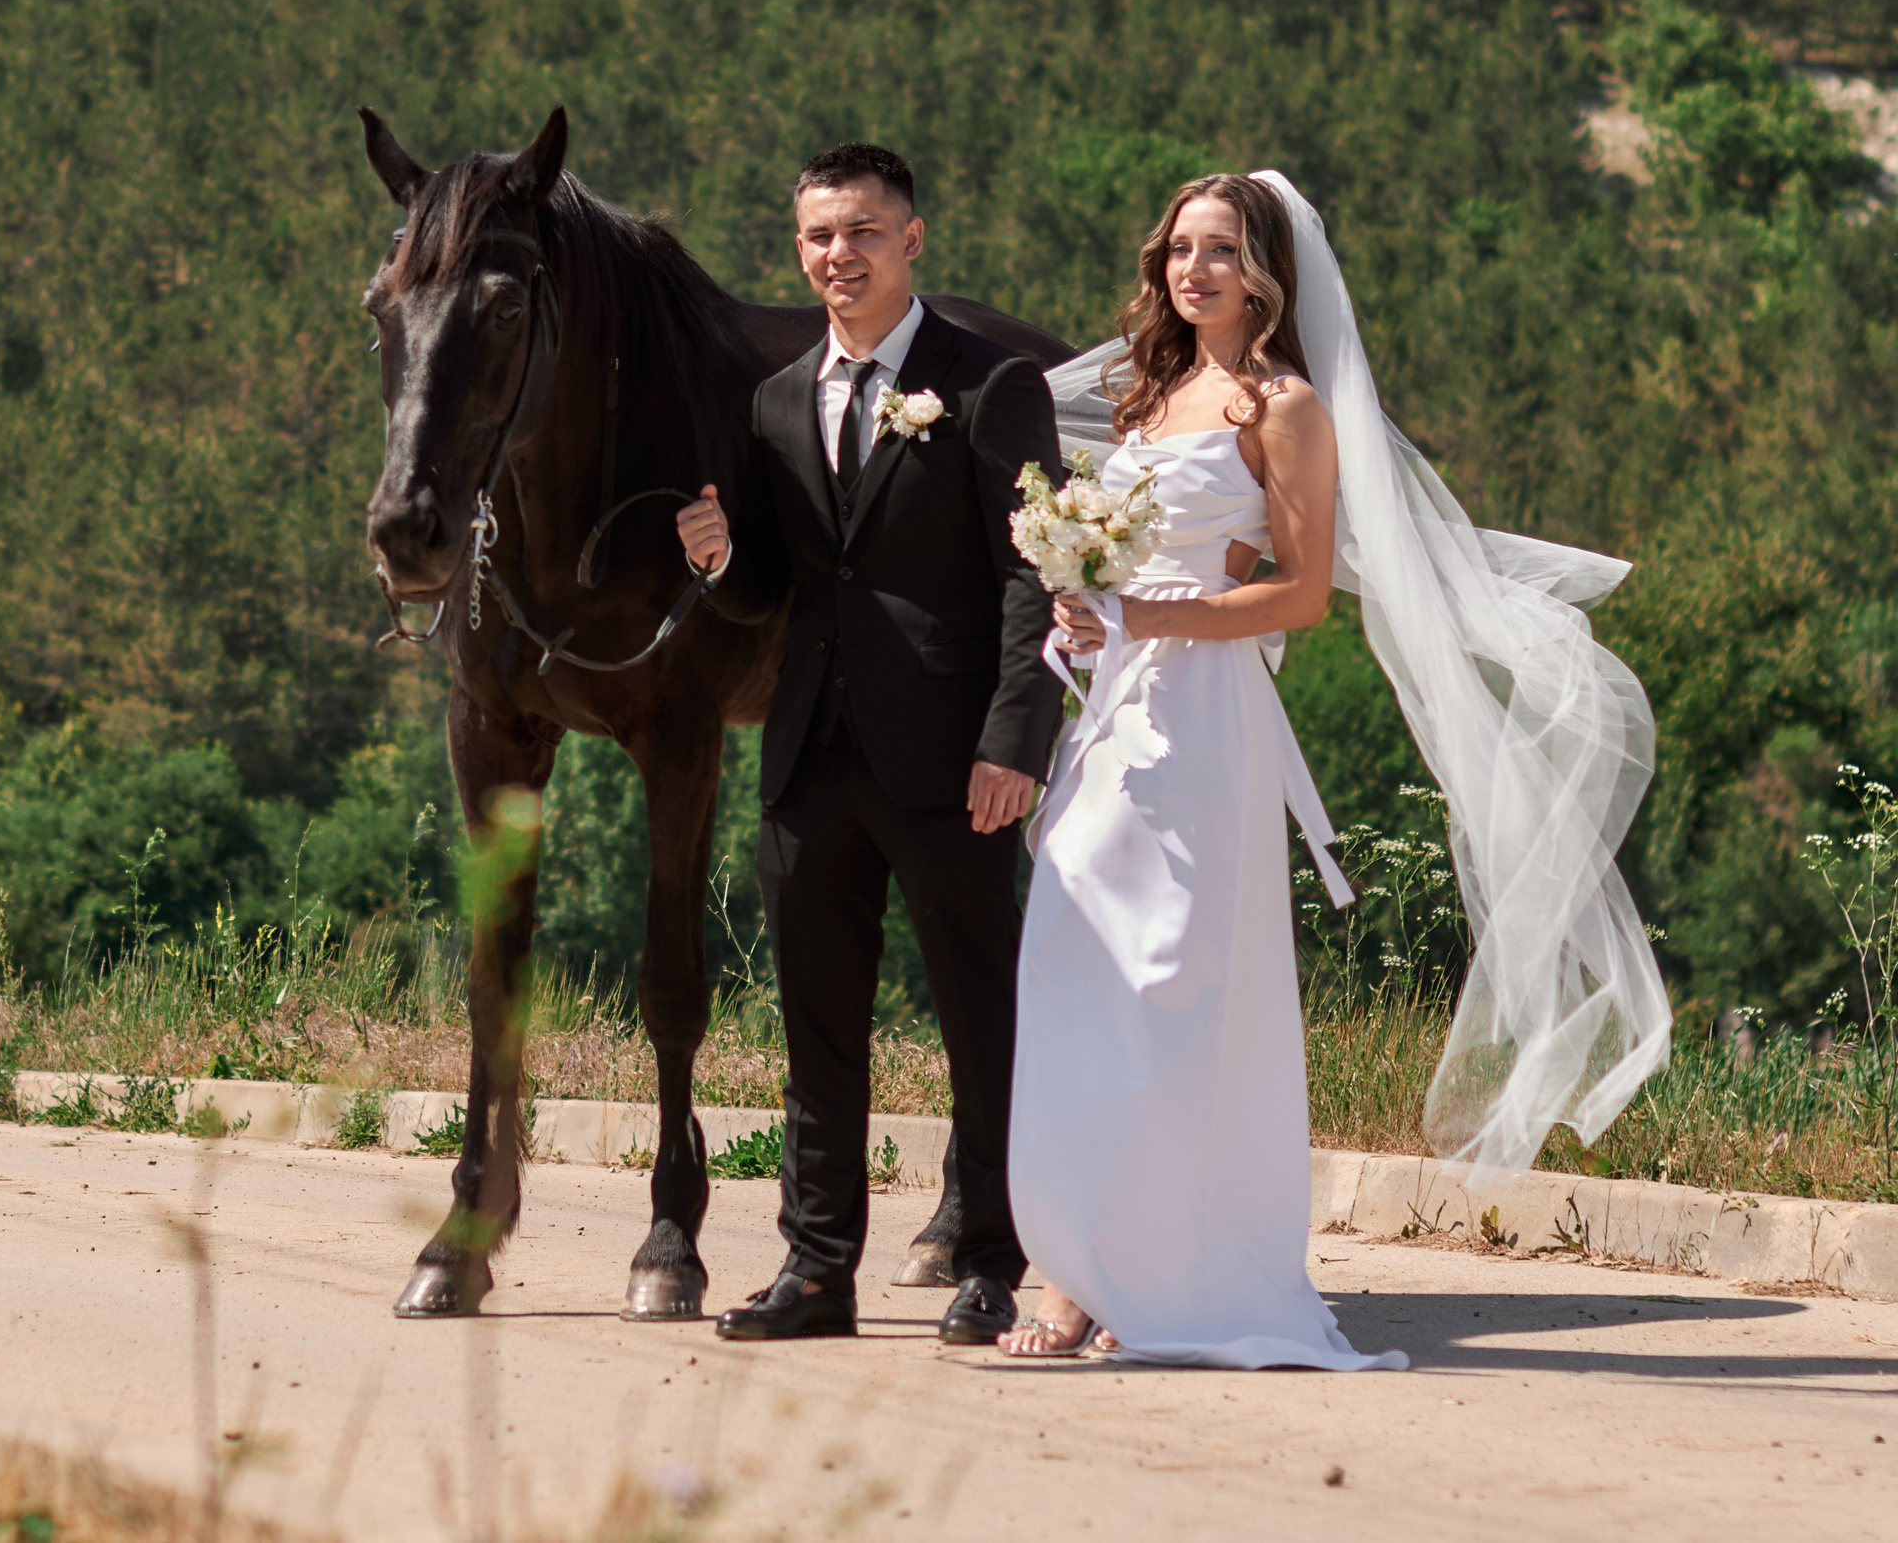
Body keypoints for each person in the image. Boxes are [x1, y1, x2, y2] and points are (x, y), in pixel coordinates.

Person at [1000, 171, 1666, 1367]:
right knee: (1070, 956)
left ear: (1264, 275)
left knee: (1170, 986)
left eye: (1219, 252)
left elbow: (1299, 594)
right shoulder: (1143, 399)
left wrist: (1161, 617)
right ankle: (1069, 1258)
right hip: (1116, 714)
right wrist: (1087, 610)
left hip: (1209, 722)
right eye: (1178, 252)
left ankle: (1138, 1276)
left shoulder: (1284, 408)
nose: (1191, 272)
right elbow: (1126, 570)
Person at [674, 143, 1064, 1345]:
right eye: (815, 238)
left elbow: (1031, 576)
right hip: (808, 754)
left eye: (858, 232)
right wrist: (720, 561)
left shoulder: (990, 384)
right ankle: (814, 1268)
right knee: (817, 1023)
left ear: (911, 238)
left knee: (980, 1014)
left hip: (953, 757)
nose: (833, 256)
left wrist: (1013, 740)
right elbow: (784, 588)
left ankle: (994, 1258)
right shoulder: (776, 400)